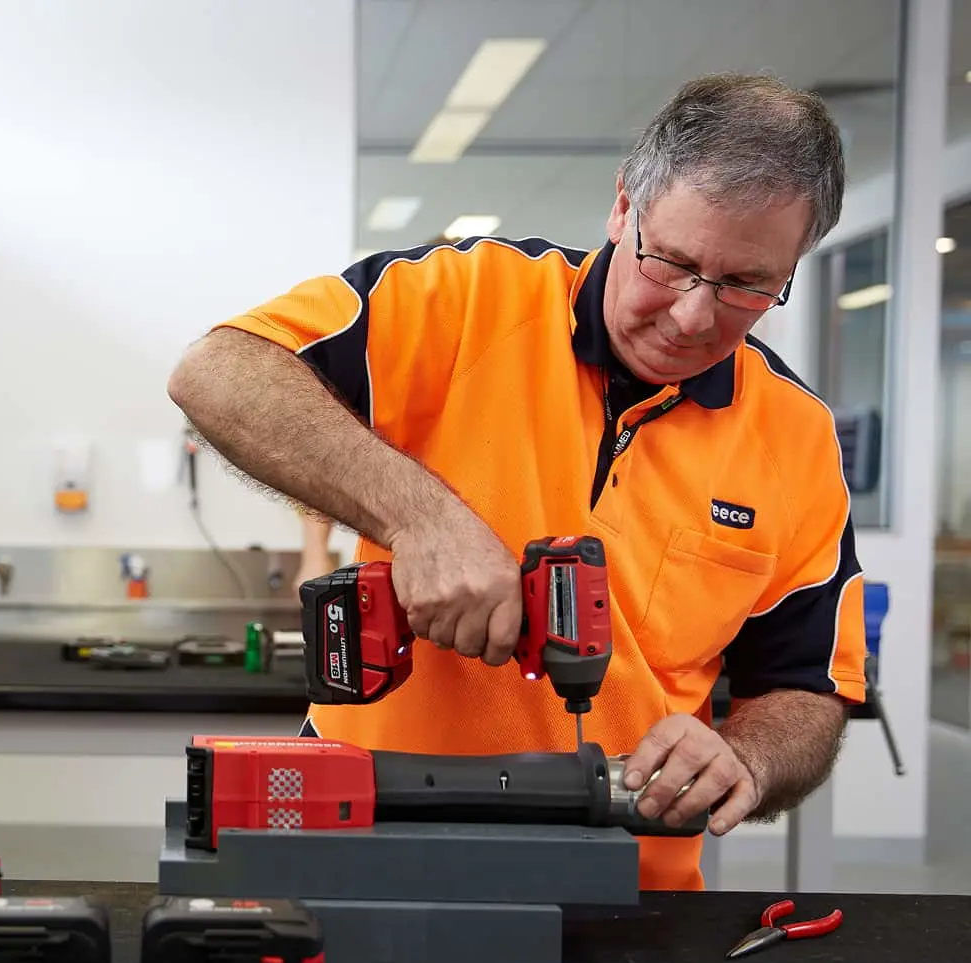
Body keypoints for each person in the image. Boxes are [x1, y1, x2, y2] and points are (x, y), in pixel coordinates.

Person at [166, 73, 866, 890]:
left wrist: (745, 755)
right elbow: (219, 371)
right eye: (671, 262)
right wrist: (422, 519)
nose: (691, 316)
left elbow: (810, 691)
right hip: (361, 852)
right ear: (622, 208)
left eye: (746, 285)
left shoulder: (796, 436)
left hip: (629, 895)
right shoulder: (468, 300)